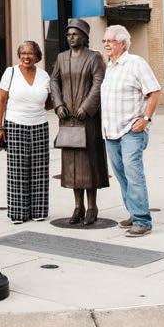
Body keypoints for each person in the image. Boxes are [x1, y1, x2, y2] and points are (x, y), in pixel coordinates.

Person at [100, 25, 161, 237]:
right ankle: (134, 213)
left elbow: (154, 91)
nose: (106, 44)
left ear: (123, 44)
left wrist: (146, 119)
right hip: (110, 131)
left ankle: (142, 220)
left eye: (110, 41)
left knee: (133, 174)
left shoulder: (136, 63)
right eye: (105, 41)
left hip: (131, 131)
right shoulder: (108, 67)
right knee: (122, 175)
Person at [50, 19, 109, 226]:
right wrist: (58, 104)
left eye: (75, 34)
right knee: (72, 165)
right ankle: (78, 206)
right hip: (67, 119)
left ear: (84, 36)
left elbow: (98, 83)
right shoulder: (61, 57)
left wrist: (87, 107)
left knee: (88, 163)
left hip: (88, 120)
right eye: (68, 35)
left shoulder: (94, 58)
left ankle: (92, 207)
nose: (71, 38)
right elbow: (54, 81)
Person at [0, 41, 51, 223]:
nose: (26, 57)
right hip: (15, 124)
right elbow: (1, 101)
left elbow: (49, 101)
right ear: (19, 55)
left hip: (40, 125)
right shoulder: (10, 73)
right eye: (23, 53)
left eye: (30, 53)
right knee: (17, 170)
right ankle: (18, 213)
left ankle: (38, 211)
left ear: (37, 56)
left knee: (39, 169)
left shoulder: (44, 76)